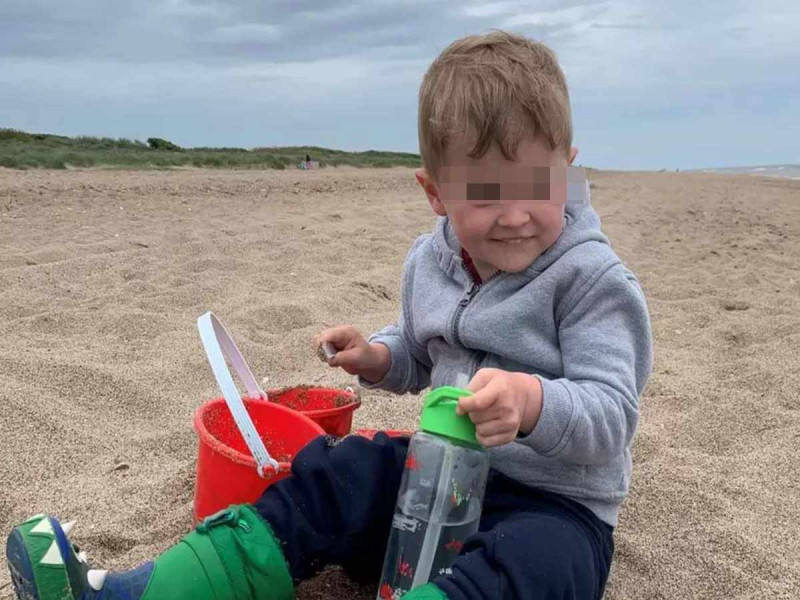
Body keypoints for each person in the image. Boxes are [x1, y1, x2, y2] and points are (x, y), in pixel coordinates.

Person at [6, 30, 652, 600]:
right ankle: (142, 592)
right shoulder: (431, 262)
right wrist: (379, 356)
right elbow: (422, 351)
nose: (513, 215)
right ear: (435, 193)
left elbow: (612, 416)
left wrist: (532, 402)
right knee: (341, 471)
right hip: (438, 482)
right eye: (485, 195)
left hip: (555, 508)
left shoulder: (592, 281)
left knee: (535, 567)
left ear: (568, 170)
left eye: (536, 186)